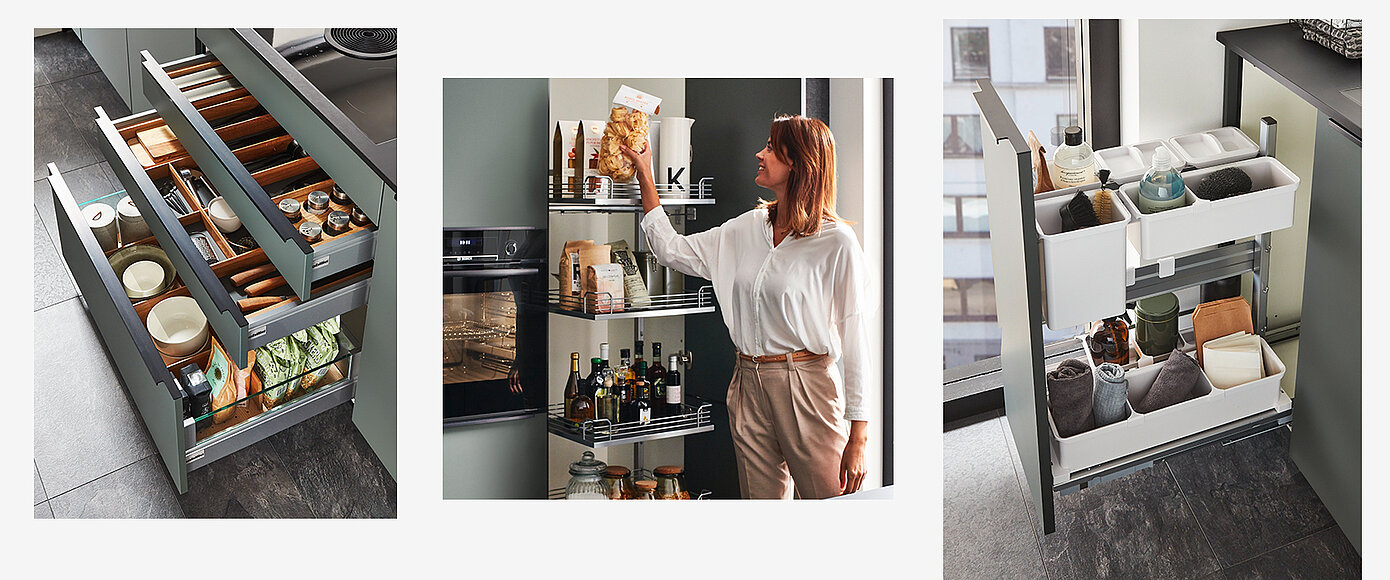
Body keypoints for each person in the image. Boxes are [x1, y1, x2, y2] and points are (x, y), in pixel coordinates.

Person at [620, 114, 874, 499]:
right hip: (747, 381)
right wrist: (645, 176)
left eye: (772, 148)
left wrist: (859, 435)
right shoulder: (746, 228)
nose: (760, 153)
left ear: (799, 162)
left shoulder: (836, 242)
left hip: (806, 386)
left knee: (829, 512)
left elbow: (856, 337)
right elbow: (671, 250)